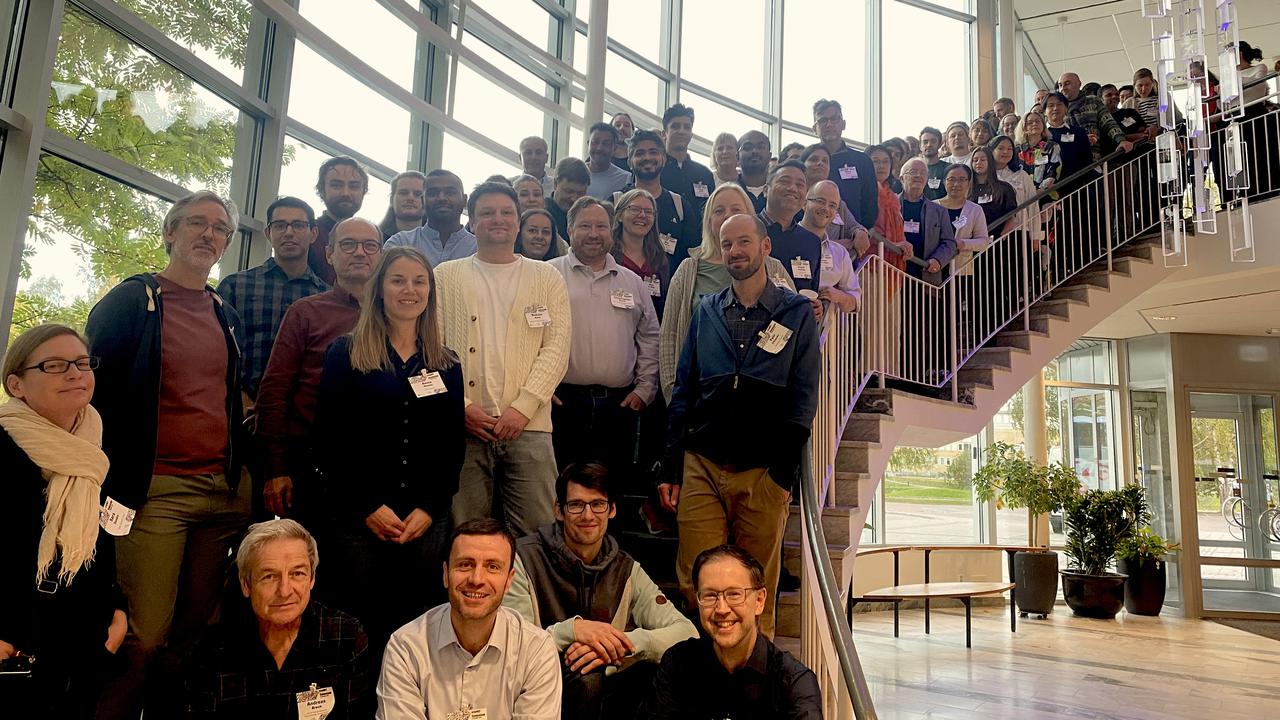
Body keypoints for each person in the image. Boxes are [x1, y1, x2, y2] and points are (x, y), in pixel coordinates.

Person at [87, 190, 251, 718]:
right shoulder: (133, 300)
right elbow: (95, 392)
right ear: (170, 233)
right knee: (146, 634)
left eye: (219, 228)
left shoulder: (225, 313)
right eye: (197, 223)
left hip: (223, 495)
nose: (208, 234)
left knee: (195, 632)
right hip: (155, 492)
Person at [659, 211, 820, 638]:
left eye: (744, 242)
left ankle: (754, 679)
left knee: (754, 586)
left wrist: (782, 474)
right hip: (703, 465)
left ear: (765, 247)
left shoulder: (796, 313)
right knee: (698, 579)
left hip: (763, 471)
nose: (735, 251)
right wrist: (674, 464)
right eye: (727, 243)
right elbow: (684, 391)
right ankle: (702, 669)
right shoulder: (706, 310)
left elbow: (803, 399)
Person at [313, 247, 465, 651]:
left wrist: (430, 508)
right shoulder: (345, 355)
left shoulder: (446, 364)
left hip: (423, 523)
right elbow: (329, 441)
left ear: (430, 292)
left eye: (419, 282)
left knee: (415, 630)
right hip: (357, 520)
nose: (409, 290)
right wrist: (365, 506)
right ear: (379, 288)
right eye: (398, 280)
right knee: (358, 626)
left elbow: (451, 448)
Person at [503, 463, 697, 720]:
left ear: (612, 510)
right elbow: (512, 644)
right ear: (559, 511)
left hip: (605, 690)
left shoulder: (626, 569)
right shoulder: (523, 558)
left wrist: (623, 644)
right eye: (576, 505)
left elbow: (686, 633)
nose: (588, 515)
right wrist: (573, 631)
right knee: (586, 678)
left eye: (597, 504)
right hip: (531, 686)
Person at [0, 324, 126, 718]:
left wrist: (115, 616)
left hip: (80, 644)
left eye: (81, 362)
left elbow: (103, 539)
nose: (74, 373)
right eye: (53, 365)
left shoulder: (97, 449)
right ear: (16, 385)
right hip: (13, 644)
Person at [437, 182, 571, 537]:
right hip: (464, 427)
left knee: (539, 533)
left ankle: (532, 596)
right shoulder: (444, 277)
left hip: (530, 427)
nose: (498, 219)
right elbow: (430, 350)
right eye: (487, 212)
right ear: (472, 222)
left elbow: (557, 346)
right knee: (466, 532)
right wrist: (461, 407)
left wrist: (523, 407)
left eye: (506, 212)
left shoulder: (546, 277)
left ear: (517, 222)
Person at [256, 217, 381, 522]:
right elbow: (274, 391)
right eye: (348, 244)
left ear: (380, 255)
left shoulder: (398, 315)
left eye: (369, 245)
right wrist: (276, 469)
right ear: (329, 254)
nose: (360, 253)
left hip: (380, 465)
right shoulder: (306, 313)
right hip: (310, 465)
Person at [183, 519, 374, 717]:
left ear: (312, 578)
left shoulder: (346, 636)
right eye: (269, 576)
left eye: (297, 573)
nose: (284, 591)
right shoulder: (210, 651)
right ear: (246, 584)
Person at [376, 519, 562, 720]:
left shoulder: (537, 650)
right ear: (446, 574)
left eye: (492, 567)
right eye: (465, 565)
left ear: (509, 580)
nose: (476, 579)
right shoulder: (406, 647)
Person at [548, 196, 659, 478]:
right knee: (561, 486)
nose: (594, 234)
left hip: (619, 405)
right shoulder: (547, 274)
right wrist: (540, 390)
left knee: (613, 490)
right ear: (569, 230)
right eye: (585, 226)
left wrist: (645, 388)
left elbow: (649, 337)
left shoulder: (632, 281)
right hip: (562, 403)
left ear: (612, 231)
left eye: (602, 226)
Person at [644, 546, 822, 719]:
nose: (721, 608)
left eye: (734, 594)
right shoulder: (677, 663)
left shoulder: (795, 682)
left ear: (759, 601)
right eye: (710, 595)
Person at [658, 184, 794, 403]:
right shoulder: (687, 270)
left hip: (765, 401)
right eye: (719, 211)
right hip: (700, 400)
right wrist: (673, 396)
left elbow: (793, 329)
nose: (727, 216)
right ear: (708, 220)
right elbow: (669, 337)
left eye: (736, 210)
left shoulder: (774, 268)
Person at [216, 196, 328, 400]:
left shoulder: (325, 297)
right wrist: (239, 396)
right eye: (279, 225)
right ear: (268, 233)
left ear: (313, 234)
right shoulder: (235, 286)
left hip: (301, 416)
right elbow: (217, 351)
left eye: (298, 225)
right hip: (239, 407)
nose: (289, 232)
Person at [627, 128, 702, 266]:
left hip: (670, 286)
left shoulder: (680, 207)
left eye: (653, 152)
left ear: (664, 158)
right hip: (621, 286)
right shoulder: (616, 202)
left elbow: (691, 257)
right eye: (640, 153)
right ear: (630, 162)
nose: (647, 157)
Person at [384, 169, 477, 267]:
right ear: (422, 200)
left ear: (464, 200)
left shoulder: (478, 248)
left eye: (450, 193)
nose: (442, 198)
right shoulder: (400, 243)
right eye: (433, 193)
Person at [760, 160, 823, 300]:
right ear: (765, 190)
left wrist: (815, 307)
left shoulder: (811, 242)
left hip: (797, 320)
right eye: (785, 181)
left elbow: (812, 290)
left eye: (800, 185)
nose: (793, 188)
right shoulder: (748, 230)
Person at [813, 99, 878, 227]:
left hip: (852, 239)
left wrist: (857, 233)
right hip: (813, 237)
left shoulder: (862, 161)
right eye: (822, 120)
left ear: (843, 124)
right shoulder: (806, 161)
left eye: (834, 119)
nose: (829, 124)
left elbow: (870, 206)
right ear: (814, 128)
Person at [799, 180, 860, 315]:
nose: (826, 208)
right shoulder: (787, 241)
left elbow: (855, 301)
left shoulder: (839, 253)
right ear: (804, 203)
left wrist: (838, 296)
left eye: (832, 205)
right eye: (820, 201)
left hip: (828, 333)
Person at [611, 188, 672, 319]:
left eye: (649, 212)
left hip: (650, 335)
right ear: (620, 215)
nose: (642, 215)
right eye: (634, 209)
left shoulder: (659, 260)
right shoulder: (608, 257)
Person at [800, 144, 870, 254]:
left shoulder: (839, 203)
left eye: (825, 161)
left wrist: (861, 232)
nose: (820, 163)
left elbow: (854, 226)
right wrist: (835, 245)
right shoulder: (795, 198)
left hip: (835, 265)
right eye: (814, 159)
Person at [897, 158, 958, 284]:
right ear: (902, 178)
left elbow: (949, 242)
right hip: (893, 271)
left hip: (926, 273)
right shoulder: (889, 205)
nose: (918, 175)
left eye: (923, 173)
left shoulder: (939, 211)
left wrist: (938, 259)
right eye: (913, 172)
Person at [310, 156, 369, 284]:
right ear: (321, 190)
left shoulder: (373, 240)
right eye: (336, 185)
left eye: (354, 186)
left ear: (364, 192)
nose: (345, 193)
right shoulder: (308, 236)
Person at [1058, 71, 1134, 160]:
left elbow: (1108, 123)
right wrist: (1081, 138)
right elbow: (1057, 135)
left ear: (1079, 84)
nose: (1063, 88)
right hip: (1068, 159)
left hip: (1094, 157)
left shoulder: (1093, 101)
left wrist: (1121, 140)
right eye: (1060, 85)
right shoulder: (1057, 108)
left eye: (1067, 83)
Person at [935, 163, 989, 278]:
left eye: (962, 180)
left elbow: (983, 242)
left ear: (969, 183)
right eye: (951, 179)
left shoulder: (975, 210)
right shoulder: (932, 206)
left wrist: (963, 244)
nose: (956, 184)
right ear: (944, 182)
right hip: (933, 266)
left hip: (961, 269)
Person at [659, 103, 716, 209]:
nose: (681, 131)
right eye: (675, 126)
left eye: (687, 127)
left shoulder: (705, 174)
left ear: (691, 134)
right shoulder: (655, 170)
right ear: (664, 134)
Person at [1043, 91, 1093, 189]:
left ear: (1066, 108)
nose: (1055, 108)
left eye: (1059, 104)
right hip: (1046, 188)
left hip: (1075, 186)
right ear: (1044, 111)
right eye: (1050, 105)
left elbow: (1087, 160)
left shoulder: (1078, 132)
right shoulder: (1040, 134)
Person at [969, 146, 1019, 237]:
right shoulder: (966, 189)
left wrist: (1002, 236)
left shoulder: (1004, 188)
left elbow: (1011, 217)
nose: (978, 163)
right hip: (972, 241)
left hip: (997, 241)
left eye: (983, 160)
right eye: (975, 160)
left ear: (990, 162)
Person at [1016, 111, 1064, 197]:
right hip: (1022, 195)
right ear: (1024, 128)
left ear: (1043, 125)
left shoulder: (1052, 147)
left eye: (1038, 121)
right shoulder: (1018, 150)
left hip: (1046, 194)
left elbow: (1055, 170)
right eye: (1030, 122)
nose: (1034, 124)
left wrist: (1039, 190)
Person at [547, 156, 591, 244]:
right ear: (555, 184)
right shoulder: (541, 214)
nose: (574, 199)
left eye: (580, 193)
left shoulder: (589, 217)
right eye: (569, 191)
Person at [585, 122, 633, 199]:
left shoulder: (625, 179)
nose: (599, 148)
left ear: (615, 148)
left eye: (606, 144)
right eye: (595, 142)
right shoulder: (575, 173)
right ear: (588, 144)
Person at [377, 170, 427, 240]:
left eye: (418, 194)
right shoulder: (375, 239)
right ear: (391, 200)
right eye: (404, 193)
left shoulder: (441, 239)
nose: (410, 198)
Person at [736, 130, 771, 213]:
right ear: (737, 156)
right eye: (748, 148)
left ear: (770, 156)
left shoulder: (779, 193)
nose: (755, 151)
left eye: (760, 147)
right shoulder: (728, 191)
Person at [918, 126, 949, 200]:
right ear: (920, 146)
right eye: (925, 142)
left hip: (942, 210)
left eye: (933, 141)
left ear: (939, 144)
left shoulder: (949, 169)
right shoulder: (914, 169)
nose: (929, 145)